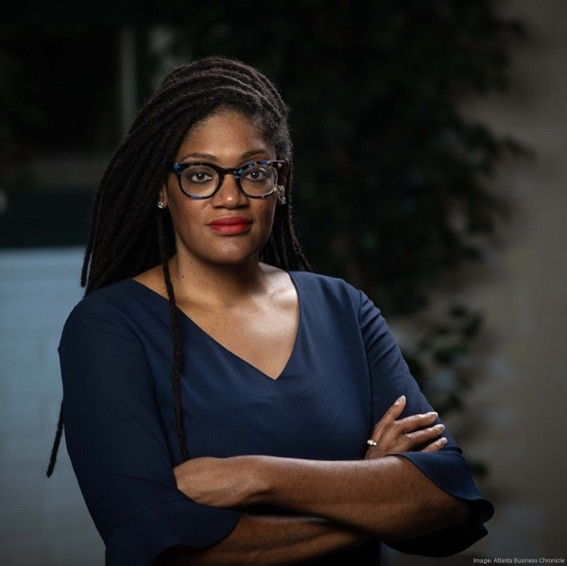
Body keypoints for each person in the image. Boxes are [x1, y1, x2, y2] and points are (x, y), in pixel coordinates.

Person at [47, 56, 493, 565]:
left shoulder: (343, 309)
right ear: (161, 190)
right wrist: (373, 491)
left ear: (279, 182)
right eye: (200, 174)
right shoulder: (108, 328)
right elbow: (157, 542)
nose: (231, 197)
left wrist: (256, 476)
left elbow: (449, 498)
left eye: (254, 171)